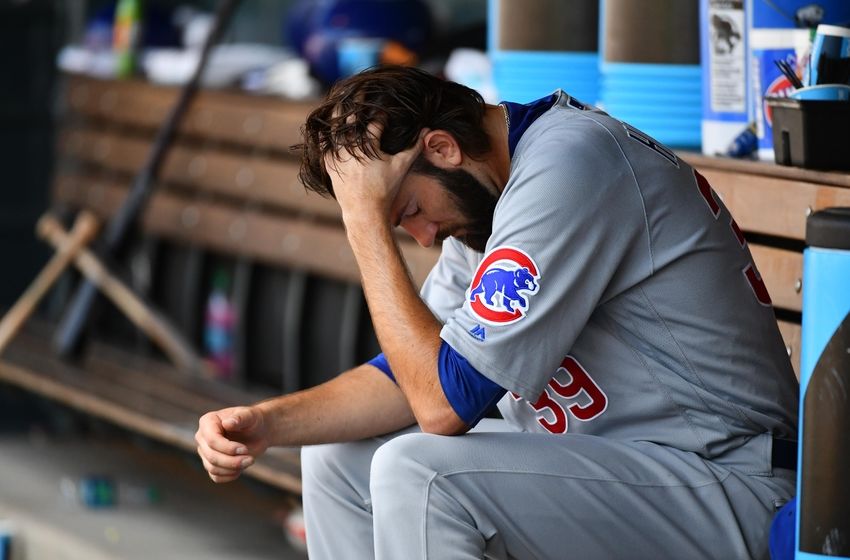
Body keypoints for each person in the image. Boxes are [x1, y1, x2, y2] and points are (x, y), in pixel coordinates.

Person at [195, 66, 798, 559]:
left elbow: (441, 405)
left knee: (420, 473)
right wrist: (268, 423)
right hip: (630, 469)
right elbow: (410, 378)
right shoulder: (490, 206)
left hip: (725, 479)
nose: (423, 237)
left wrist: (364, 222)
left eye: (405, 209)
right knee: (335, 460)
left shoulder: (570, 166)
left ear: (442, 147)